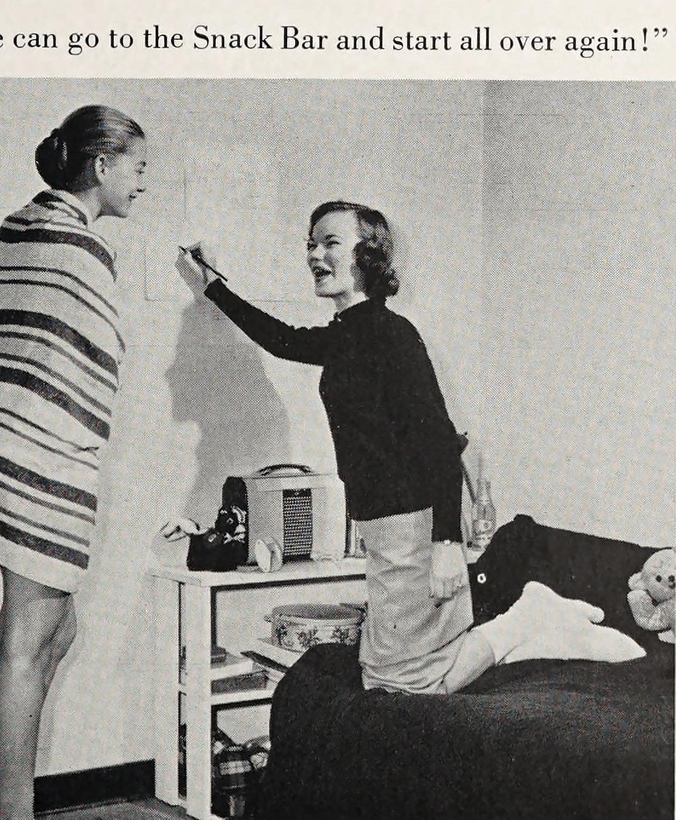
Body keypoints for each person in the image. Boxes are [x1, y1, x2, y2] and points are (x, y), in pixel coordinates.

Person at [173, 200, 643, 696]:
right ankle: (527, 628)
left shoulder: (391, 334)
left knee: (402, 683)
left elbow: (439, 442)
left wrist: (447, 545)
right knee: (387, 674)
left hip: (412, 525)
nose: (314, 254)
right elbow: (282, 340)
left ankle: (525, 622)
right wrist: (211, 286)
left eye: (331, 242)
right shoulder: (350, 332)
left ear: (369, 254)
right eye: (310, 243)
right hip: (383, 525)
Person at [0, 105, 146, 820]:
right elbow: (96, 362)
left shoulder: (20, 226)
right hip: (40, 459)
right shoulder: (82, 245)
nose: (141, 183)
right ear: (101, 166)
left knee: (47, 633)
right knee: (28, 644)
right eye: (136, 167)